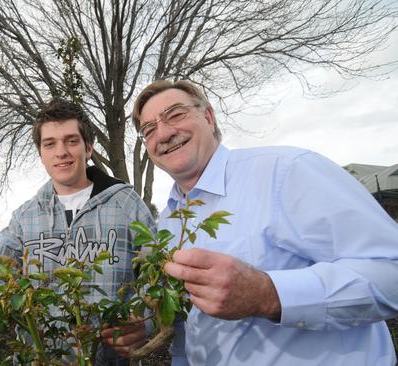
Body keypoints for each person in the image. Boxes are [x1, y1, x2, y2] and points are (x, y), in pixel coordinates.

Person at [130, 79, 398, 365]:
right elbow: (188, 322)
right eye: (149, 129)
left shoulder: (286, 172)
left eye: (176, 115)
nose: (165, 133)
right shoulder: (169, 221)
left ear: (208, 117)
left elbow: (390, 271)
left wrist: (269, 294)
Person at [0, 99, 156, 364]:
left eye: (71, 141)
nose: (61, 151)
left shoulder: (127, 205)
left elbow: (157, 274)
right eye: (50, 144)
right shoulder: (26, 217)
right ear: (41, 154)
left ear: (88, 148)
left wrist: (145, 321)